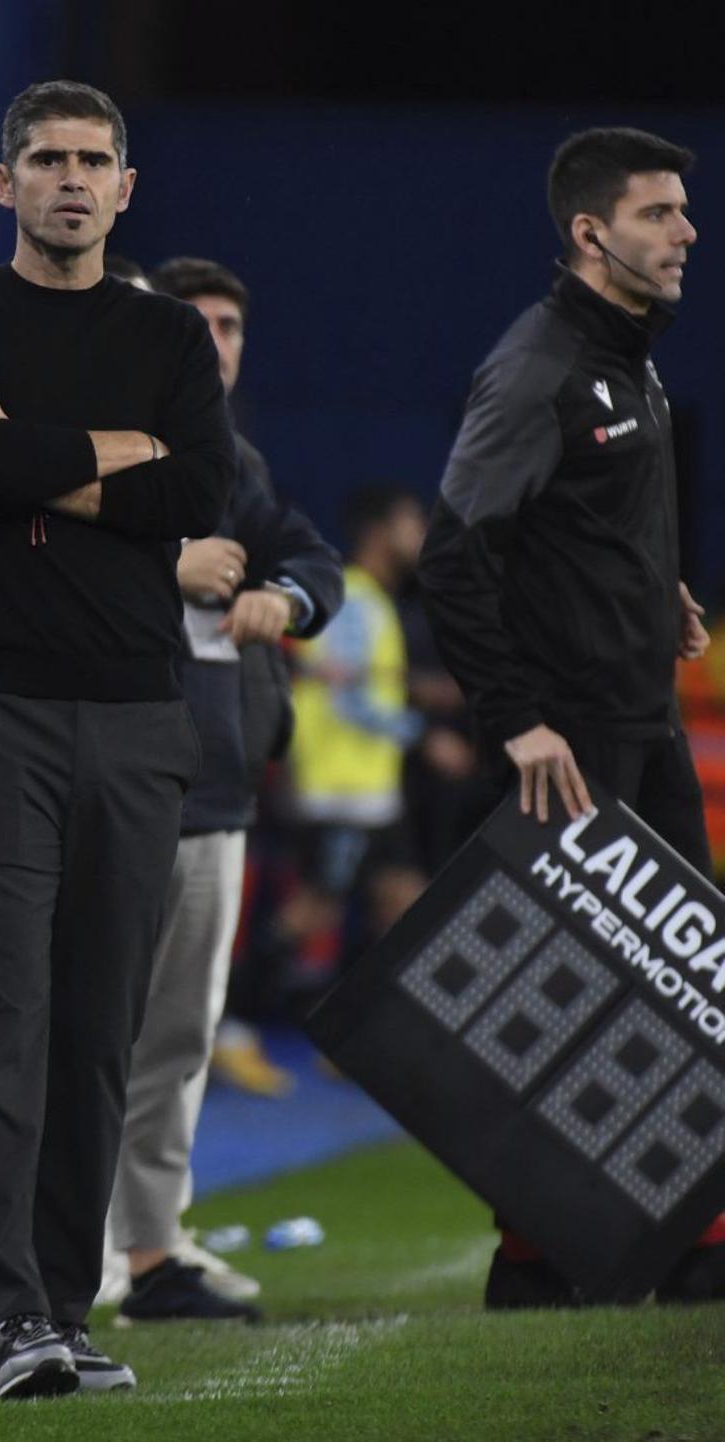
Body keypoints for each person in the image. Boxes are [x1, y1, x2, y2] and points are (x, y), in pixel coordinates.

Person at [0, 79, 235, 1398]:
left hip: (139, 712)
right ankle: (13, 1316)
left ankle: (69, 1310)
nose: (72, 179)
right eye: (47, 159)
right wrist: (118, 456)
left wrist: (36, 452)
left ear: (126, 187)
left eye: (94, 160)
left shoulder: (168, 333)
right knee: (0, 1016)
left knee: (99, 1029)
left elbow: (196, 489)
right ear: (5, 183)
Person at [417, 125, 724, 1308]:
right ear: (593, 233)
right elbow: (454, 554)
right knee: (563, 1005)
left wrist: (658, 591)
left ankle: (695, 1238)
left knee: (687, 990)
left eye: (684, 208)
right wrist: (517, 721)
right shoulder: (540, 363)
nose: (687, 230)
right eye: (660, 212)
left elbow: (579, 519)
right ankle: (533, 1262)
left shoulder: (630, 354)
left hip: (642, 720)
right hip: (569, 745)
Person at [103, 255, 342, 1323]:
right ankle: (72, 1245)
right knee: (86, 1027)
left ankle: (152, 1244)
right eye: (192, 323)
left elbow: (310, 557)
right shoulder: (84, 445)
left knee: (180, 1035)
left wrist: (284, 597)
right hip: (109, 775)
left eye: (231, 325)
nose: (215, 343)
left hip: (213, 783)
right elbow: (22, 565)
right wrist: (168, 566)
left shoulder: (232, 456)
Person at [282, 486, 433, 983]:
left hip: (374, 794)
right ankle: (239, 1005)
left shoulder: (376, 600)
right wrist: (424, 736)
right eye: (411, 522)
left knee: (404, 901)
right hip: (340, 789)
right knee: (313, 912)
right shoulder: (349, 598)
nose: (422, 534)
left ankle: (370, 1019)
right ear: (378, 532)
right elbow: (349, 697)